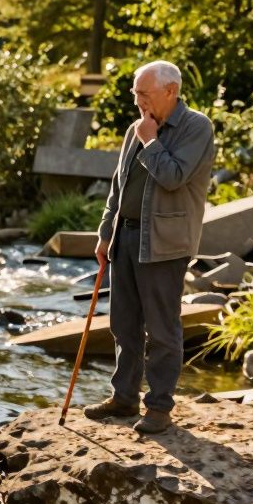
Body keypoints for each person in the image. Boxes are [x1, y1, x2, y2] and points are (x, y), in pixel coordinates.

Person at [87, 60, 216, 434]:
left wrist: (150, 140)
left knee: (162, 329)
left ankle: (158, 408)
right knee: (123, 324)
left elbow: (174, 178)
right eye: (135, 93)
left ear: (170, 91)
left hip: (164, 243)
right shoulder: (137, 128)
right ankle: (124, 397)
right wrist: (104, 231)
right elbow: (119, 185)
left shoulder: (197, 127)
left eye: (144, 93)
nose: (137, 101)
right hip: (125, 237)